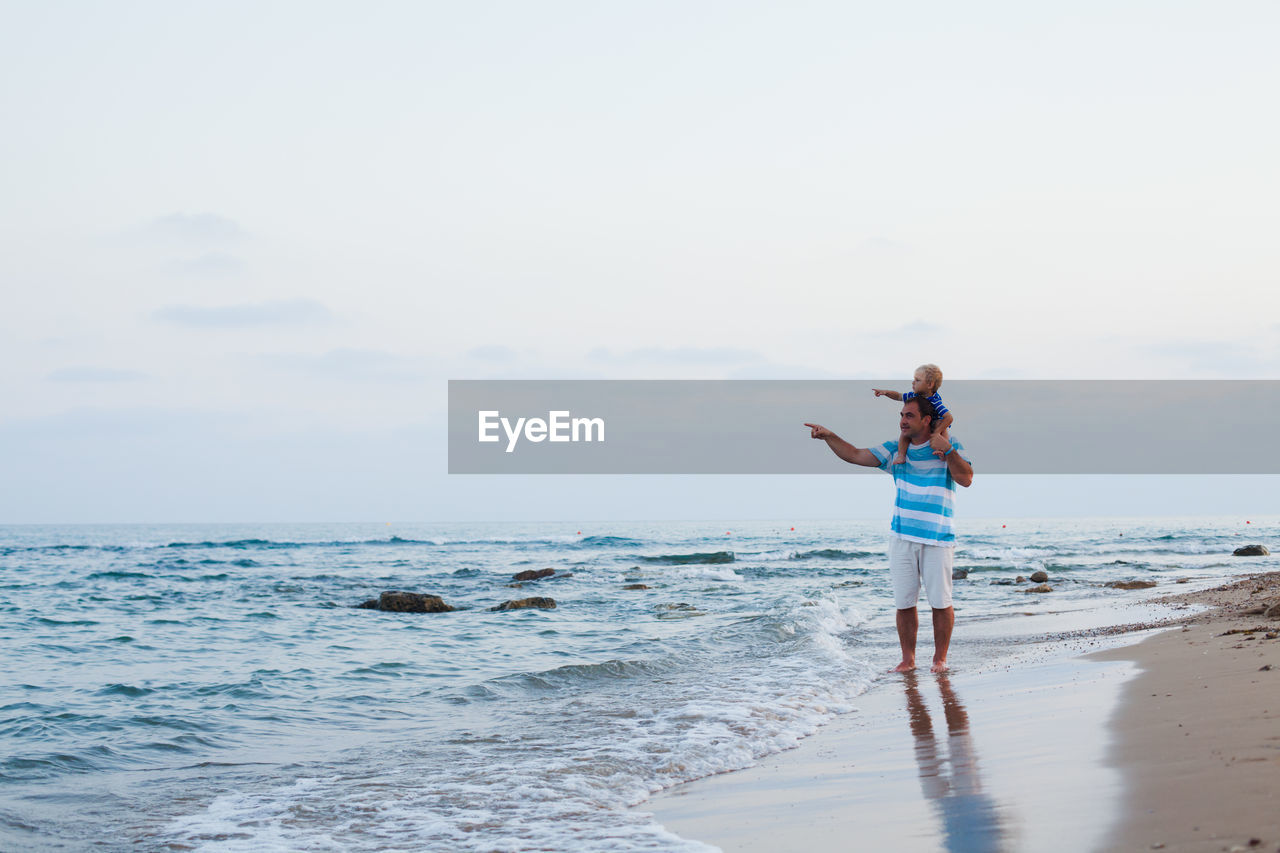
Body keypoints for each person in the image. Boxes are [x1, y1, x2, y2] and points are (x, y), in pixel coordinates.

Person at [804, 395, 973, 673]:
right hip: (901, 537)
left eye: (909, 415)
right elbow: (855, 454)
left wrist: (950, 451)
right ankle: (908, 660)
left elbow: (966, 479)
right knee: (904, 603)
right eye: (901, 415)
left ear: (926, 420)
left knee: (941, 602)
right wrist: (830, 436)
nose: (902, 421)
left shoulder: (949, 445)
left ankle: (940, 660)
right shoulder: (895, 449)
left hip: (938, 538)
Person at [872, 363, 953, 464]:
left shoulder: (935, 401)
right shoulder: (912, 396)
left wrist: (937, 432)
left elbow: (949, 418)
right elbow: (898, 396)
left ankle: (942, 451)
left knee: (942, 427)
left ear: (930, 384)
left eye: (917, 380)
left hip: (933, 423)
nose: (913, 383)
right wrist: (886, 392)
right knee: (904, 433)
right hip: (920, 424)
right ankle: (901, 456)